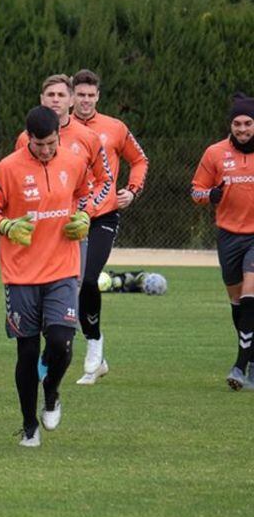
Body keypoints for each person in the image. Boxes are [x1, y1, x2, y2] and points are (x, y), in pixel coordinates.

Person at [0, 106, 91, 447]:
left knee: (61, 343)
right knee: (27, 353)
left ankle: (52, 392)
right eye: (39, 144)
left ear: (60, 135)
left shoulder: (73, 161)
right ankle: (29, 425)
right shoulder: (9, 168)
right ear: (28, 138)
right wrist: (6, 226)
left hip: (62, 269)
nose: (46, 150)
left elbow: (85, 194)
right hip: (21, 274)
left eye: (51, 143)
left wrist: (84, 216)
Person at [15, 74, 112, 381]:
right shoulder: (24, 138)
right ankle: (49, 345)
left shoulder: (88, 137)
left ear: (71, 100)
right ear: (42, 99)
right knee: (37, 294)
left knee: (77, 285)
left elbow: (105, 179)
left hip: (74, 231)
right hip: (38, 234)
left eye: (60, 94)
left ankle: (61, 349)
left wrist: (86, 210)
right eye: (49, 95)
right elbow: (17, 181)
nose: (55, 99)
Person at [71, 69, 149, 385]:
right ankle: (69, 352)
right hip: (68, 217)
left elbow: (140, 160)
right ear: (73, 95)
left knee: (89, 279)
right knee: (68, 286)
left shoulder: (115, 128)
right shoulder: (59, 128)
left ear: (98, 96)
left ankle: (94, 343)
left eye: (91, 95)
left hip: (103, 215)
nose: (86, 100)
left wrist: (132, 190)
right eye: (81, 95)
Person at [191, 93, 254, 390]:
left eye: (248, 123)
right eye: (237, 123)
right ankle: (251, 357)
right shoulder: (215, 153)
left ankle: (240, 365)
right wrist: (209, 196)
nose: (242, 129)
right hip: (228, 236)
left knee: (251, 292)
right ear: (230, 125)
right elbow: (196, 192)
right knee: (238, 301)